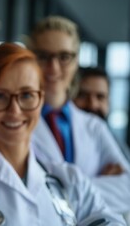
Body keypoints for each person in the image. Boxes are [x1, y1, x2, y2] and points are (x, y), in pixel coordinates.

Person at [0, 42, 125, 226]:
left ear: (41, 100)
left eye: (26, 95)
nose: (15, 111)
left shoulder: (70, 179)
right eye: (0, 96)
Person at [27, 15, 130, 217]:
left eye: (64, 57)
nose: (53, 68)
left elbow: (127, 189)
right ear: (31, 58)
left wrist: (58, 190)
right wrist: (94, 182)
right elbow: (25, 192)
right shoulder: (15, 121)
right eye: (43, 56)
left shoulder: (93, 126)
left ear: (76, 61)